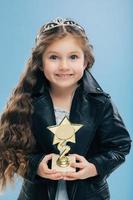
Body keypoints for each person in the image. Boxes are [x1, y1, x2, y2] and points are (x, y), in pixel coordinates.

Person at [0, 17, 131, 200]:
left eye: (73, 57)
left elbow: (119, 145)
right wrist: (36, 166)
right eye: (53, 57)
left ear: (85, 62)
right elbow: (9, 147)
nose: (64, 66)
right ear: (40, 62)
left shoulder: (100, 104)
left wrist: (93, 167)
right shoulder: (26, 102)